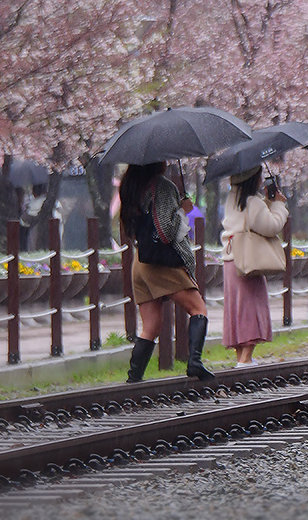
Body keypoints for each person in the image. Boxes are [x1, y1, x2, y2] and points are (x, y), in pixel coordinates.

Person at [117, 162, 215, 382]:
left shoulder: (131, 187)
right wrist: (185, 211)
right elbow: (166, 231)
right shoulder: (162, 185)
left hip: (141, 262)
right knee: (198, 308)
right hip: (163, 263)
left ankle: (134, 379)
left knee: (151, 326)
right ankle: (195, 362)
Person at [219, 167, 286, 367]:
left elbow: (252, 218)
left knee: (237, 309)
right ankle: (246, 360)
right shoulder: (252, 201)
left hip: (231, 260)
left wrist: (267, 203)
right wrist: (279, 205)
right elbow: (271, 226)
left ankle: (241, 358)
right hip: (249, 261)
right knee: (252, 308)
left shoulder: (233, 198)